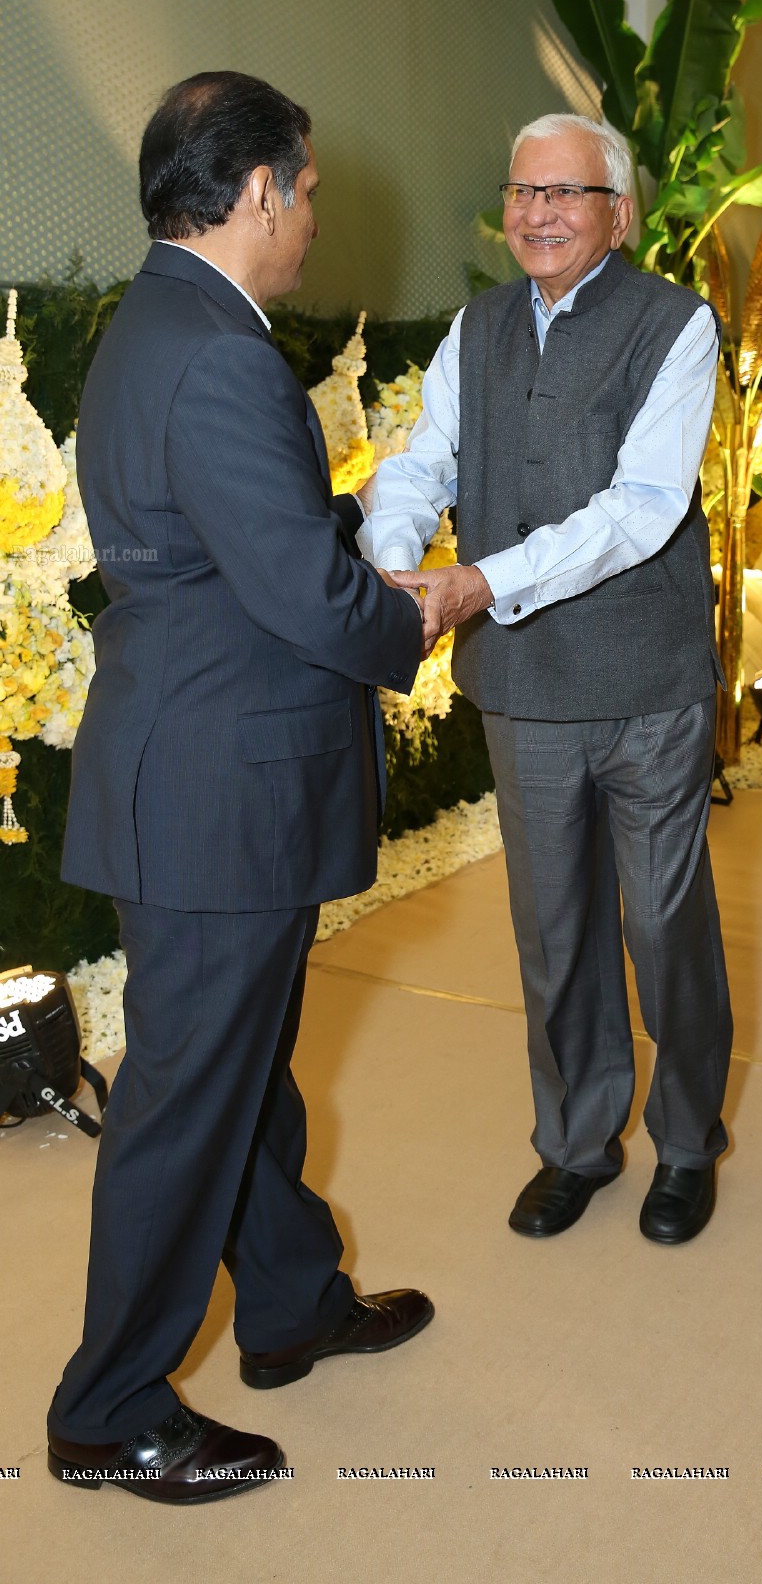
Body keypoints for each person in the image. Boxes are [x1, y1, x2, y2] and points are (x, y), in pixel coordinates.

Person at [49, 73, 432, 1504]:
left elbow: (224, 540)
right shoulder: (218, 353)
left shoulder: (166, 324)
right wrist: (420, 608)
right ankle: (108, 1408)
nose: (315, 212)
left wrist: (330, 522)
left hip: (199, 763)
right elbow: (312, 606)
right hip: (221, 787)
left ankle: (286, 1304)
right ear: (260, 188)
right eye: (311, 188)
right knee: (186, 1097)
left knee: (238, 1070)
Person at [360, 112, 732, 1246]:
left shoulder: (676, 325)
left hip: (647, 682)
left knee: (663, 925)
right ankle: (575, 1144)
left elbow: (641, 509)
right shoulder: (476, 328)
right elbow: (422, 458)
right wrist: (393, 566)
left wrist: (473, 582)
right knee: (554, 930)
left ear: (616, 214)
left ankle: (683, 1143)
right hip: (522, 688)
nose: (536, 214)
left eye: (564, 195)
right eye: (522, 193)